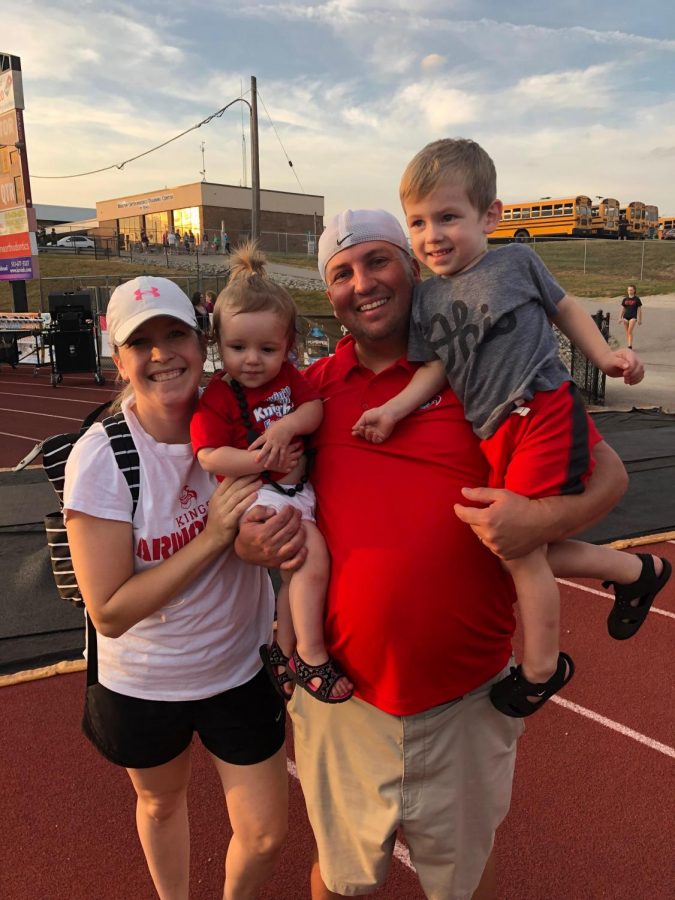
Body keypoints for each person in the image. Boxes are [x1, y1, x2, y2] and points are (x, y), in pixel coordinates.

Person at [235, 208, 632, 899]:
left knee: (458, 885)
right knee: (339, 880)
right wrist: (247, 537)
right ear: (328, 293)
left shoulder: (487, 373)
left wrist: (537, 520)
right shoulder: (315, 390)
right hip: (343, 702)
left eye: (378, 262)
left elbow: (610, 480)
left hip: (467, 702)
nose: (362, 283)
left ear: (413, 270)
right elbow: (252, 498)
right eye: (341, 273)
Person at [353, 140, 670, 716]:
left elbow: (566, 307)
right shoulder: (425, 299)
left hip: (541, 408)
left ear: (489, 217)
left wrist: (603, 356)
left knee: (517, 549)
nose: (433, 235)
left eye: (448, 217)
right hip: (495, 431)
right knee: (519, 547)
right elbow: (436, 368)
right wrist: (395, 408)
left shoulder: (514, 263)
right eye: (419, 222)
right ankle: (637, 571)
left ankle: (542, 668)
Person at [63, 276, 288, 900]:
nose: (162, 354)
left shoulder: (241, 415)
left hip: (238, 667)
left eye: (175, 334)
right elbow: (108, 611)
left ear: (202, 341)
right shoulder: (104, 456)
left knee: (266, 836)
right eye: (142, 343)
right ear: (119, 361)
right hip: (144, 681)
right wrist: (215, 538)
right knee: (161, 804)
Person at [190, 243, 352, 703]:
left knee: (296, 573)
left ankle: (281, 651)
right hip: (258, 495)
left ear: (288, 346)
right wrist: (262, 460)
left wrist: (285, 426)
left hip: (294, 491)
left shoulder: (289, 380)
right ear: (218, 346)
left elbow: (314, 409)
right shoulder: (219, 397)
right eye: (238, 348)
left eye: (267, 348)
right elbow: (209, 455)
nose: (253, 360)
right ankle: (311, 653)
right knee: (310, 556)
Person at [620, 284, 642, 349]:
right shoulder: (625, 299)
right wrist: (620, 317)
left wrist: (639, 319)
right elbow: (623, 309)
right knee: (628, 332)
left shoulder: (637, 299)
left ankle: (629, 346)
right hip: (625, 317)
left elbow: (639, 309)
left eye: (631, 290)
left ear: (634, 290)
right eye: (628, 290)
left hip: (633, 317)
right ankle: (629, 344)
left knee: (629, 331)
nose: (629, 291)